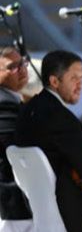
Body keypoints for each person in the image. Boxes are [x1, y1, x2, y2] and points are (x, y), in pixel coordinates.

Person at [13, 50, 82, 232]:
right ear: (54, 81)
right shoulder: (62, 119)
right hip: (68, 205)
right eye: (74, 78)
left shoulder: (27, 110)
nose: (80, 85)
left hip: (37, 204)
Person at [0, 46, 30, 221]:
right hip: (9, 194)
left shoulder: (14, 99)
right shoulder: (4, 103)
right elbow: (20, 144)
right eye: (13, 67)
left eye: (23, 63)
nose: (22, 69)